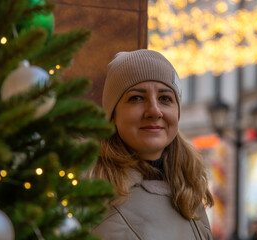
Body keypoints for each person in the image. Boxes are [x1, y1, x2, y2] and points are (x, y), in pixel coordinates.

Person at [89, 49, 214, 240]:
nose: (154, 111)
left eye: (165, 98)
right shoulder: (89, 193)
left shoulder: (189, 188)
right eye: (137, 98)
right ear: (113, 115)